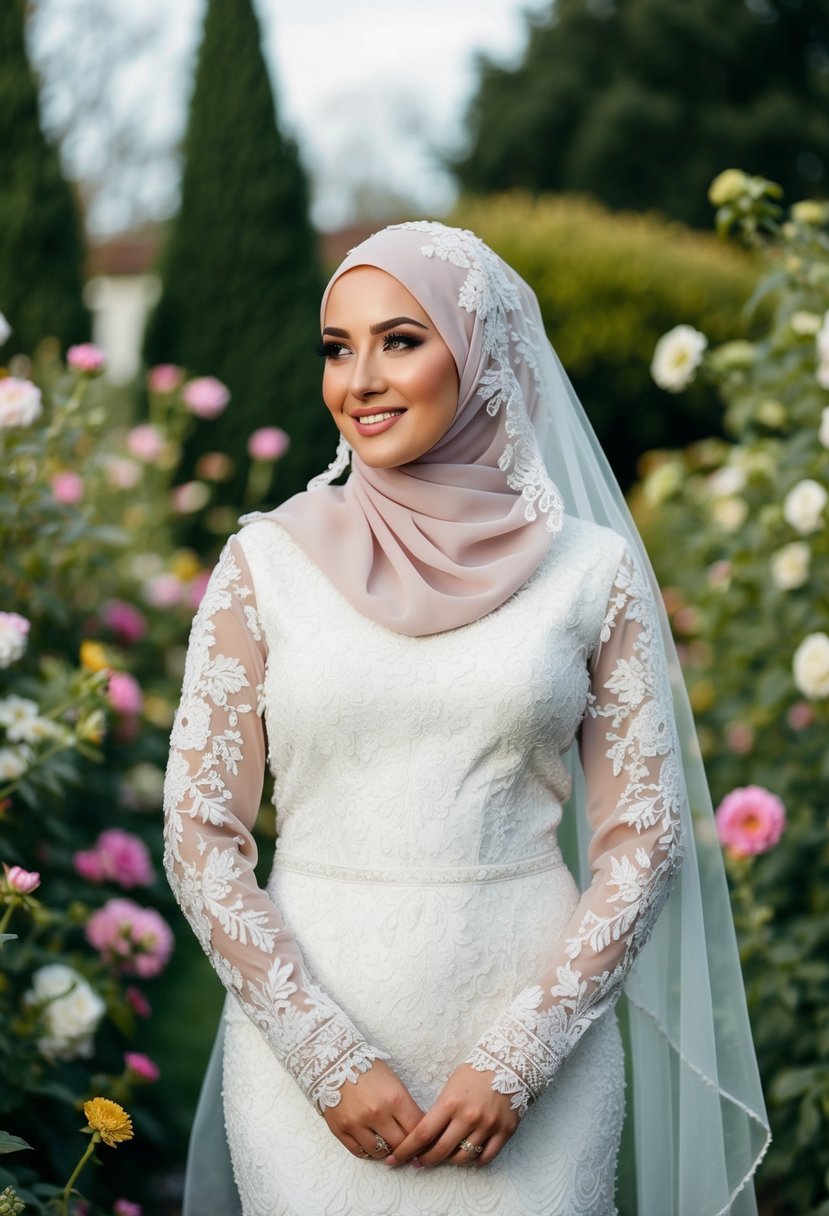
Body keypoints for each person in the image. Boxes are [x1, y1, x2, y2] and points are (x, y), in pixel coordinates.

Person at [163, 222, 770, 1216]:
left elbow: (642, 839)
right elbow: (198, 836)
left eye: (400, 339)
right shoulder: (262, 565)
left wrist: (523, 1056)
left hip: (535, 1056)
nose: (359, 377)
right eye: (337, 346)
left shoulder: (591, 572)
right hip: (307, 1061)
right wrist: (320, 1053)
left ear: (477, 350)